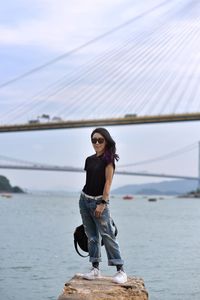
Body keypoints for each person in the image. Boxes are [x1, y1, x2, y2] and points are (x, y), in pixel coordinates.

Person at [79, 127, 127, 284]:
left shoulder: (109, 160)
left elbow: (108, 182)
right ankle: (95, 270)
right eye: (94, 140)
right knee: (91, 236)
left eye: (100, 140)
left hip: (99, 201)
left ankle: (121, 271)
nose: (97, 143)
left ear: (106, 141)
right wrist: (85, 202)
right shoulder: (89, 159)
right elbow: (90, 181)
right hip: (84, 199)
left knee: (107, 236)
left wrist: (103, 203)